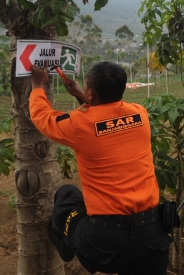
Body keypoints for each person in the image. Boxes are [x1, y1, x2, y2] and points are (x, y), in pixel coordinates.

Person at [29, 60, 171, 275]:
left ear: (92, 93)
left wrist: (38, 86)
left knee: (67, 195)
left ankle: (66, 247)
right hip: (152, 240)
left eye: (87, 88)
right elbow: (107, 120)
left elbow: (43, 117)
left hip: (105, 246)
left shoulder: (78, 124)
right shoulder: (140, 114)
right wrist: (83, 96)